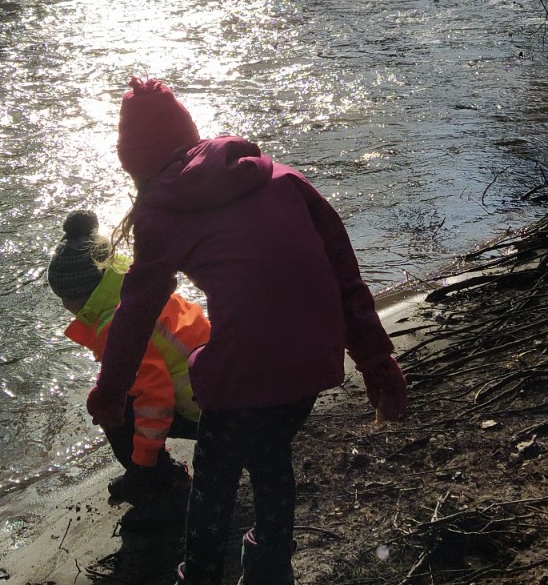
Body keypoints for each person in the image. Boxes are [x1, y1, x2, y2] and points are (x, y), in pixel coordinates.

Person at [86, 79, 408, 585]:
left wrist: (110, 389)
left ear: (135, 164)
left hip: (245, 369)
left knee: (214, 483)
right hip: (313, 359)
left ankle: (202, 574)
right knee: (270, 452)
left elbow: (136, 308)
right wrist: (375, 360)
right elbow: (344, 271)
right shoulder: (282, 176)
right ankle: (270, 566)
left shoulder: (161, 209)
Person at [49, 208, 208, 522]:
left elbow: (155, 398)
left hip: (210, 409)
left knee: (111, 406)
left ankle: (162, 490)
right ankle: (160, 473)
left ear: (78, 296)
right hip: (221, 387)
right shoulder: (137, 286)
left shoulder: (114, 324)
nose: (64, 306)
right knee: (116, 393)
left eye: (65, 298)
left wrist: (142, 463)